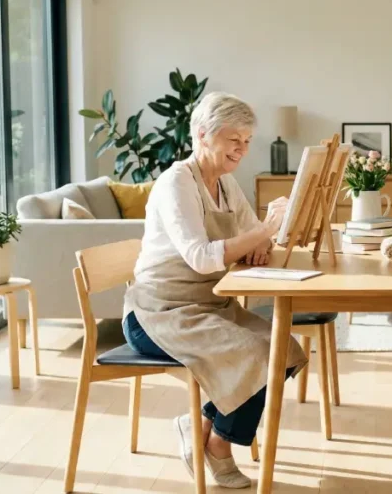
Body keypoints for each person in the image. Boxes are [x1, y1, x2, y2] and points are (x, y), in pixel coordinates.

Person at [122, 92, 308, 489]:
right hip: (158, 313)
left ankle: (204, 427)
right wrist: (261, 233)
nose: (241, 149)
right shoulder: (177, 183)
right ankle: (220, 448)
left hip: (210, 306)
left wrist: (262, 240)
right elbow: (202, 258)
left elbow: (251, 237)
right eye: (233, 139)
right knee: (260, 354)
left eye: (247, 140)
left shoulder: (225, 182)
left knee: (286, 351)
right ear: (203, 135)